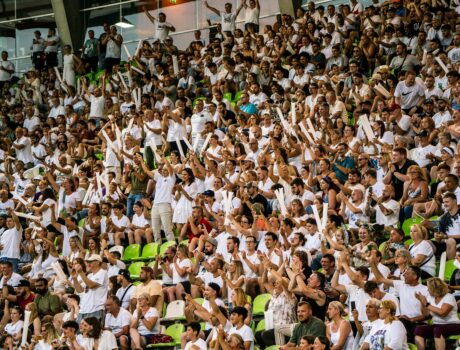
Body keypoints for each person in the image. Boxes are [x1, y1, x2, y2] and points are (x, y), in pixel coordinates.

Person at [414, 277, 460, 350]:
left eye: (429, 288)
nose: (427, 290)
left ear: (434, 288)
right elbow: (426, 315)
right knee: (419, 329)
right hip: (437, 325)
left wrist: (426, 304)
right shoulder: (431, 298)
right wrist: (422, 302)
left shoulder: (449, 297)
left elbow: (442, 313)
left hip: (453, 325)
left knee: (438, 329)